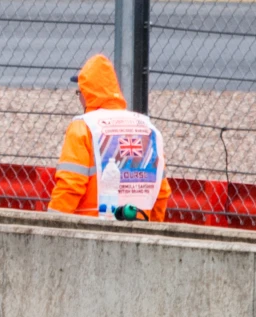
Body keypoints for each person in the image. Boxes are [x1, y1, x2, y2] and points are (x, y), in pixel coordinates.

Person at [48, 54, 171, 221]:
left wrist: (52, 227)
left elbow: (70, 187)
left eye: (79, 92)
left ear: (86, 93)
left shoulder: (84, 127)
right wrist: (153, 229)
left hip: (92, 231)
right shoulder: (148, 129)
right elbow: (161, 192)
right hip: (140, 229)